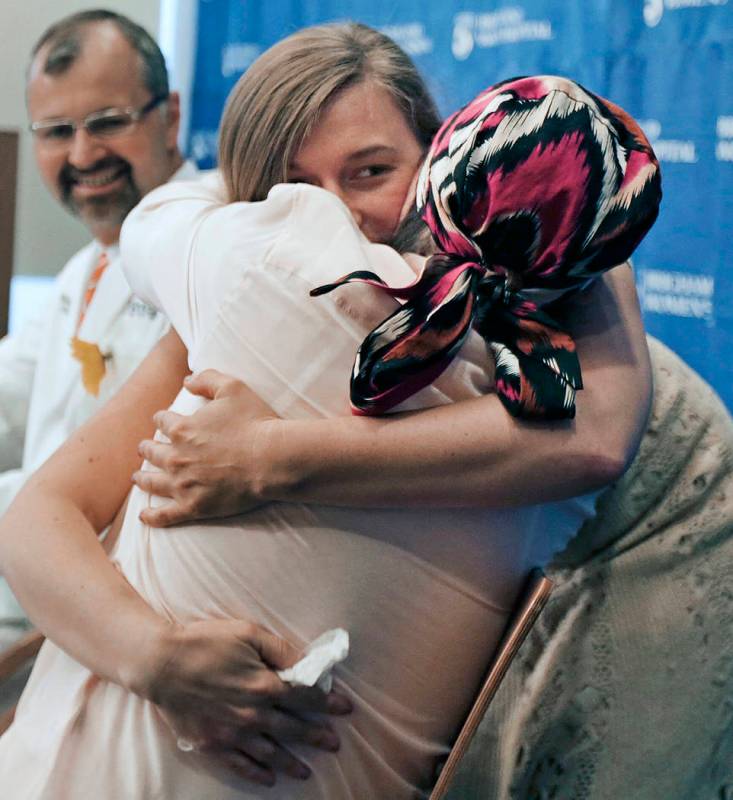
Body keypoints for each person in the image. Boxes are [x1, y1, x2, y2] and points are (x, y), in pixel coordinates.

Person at [0, 23, 657, 798]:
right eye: (292, 192)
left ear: (437, 157)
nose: (332, 221)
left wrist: (271, 456)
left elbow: (597, 435)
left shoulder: (523, 348)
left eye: (370, 171)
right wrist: (156, 658)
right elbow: (39, 516)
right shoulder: (232, 289)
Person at [0, 10, 197, 631]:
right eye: (56, 130)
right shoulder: (86, 265)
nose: (83, 154)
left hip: (102, 620)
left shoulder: (204, 246)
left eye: (107, 123)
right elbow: (12, 392)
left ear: (169, 116)